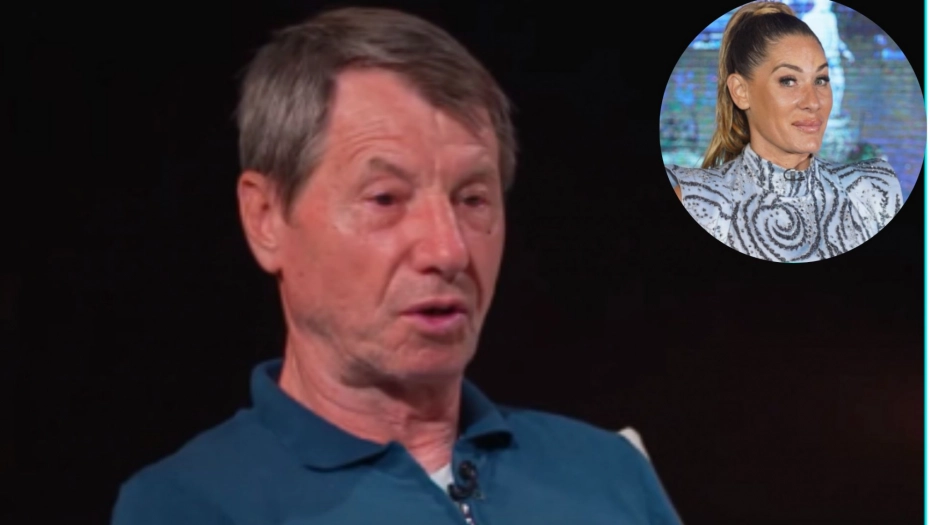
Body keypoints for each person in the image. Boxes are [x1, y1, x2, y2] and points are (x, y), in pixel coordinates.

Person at [111, 7, 683, 524]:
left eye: (472, 199)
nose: (448, 251)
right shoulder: (189, 506)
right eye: (385, 199)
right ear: (265, 218)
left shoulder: (608, 473)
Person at [666, 1, 902, 263]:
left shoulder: (874, 190)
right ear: (741, 92)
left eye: (821, 79)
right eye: (788, 81)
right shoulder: (699, 203)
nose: (813, 102)